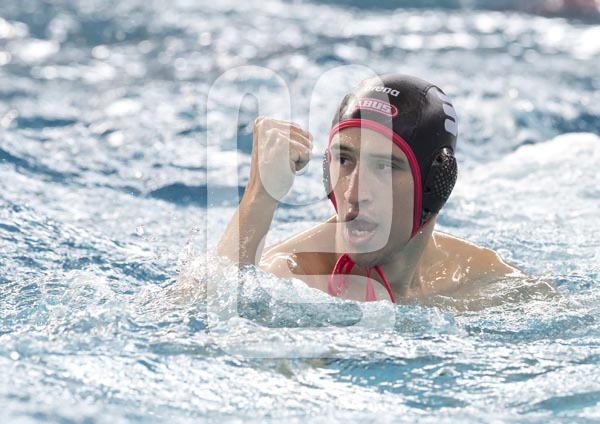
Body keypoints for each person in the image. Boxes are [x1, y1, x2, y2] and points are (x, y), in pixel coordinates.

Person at [216, 74, 523, 303]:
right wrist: (259, 196)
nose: (354, 193)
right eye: (344, 160)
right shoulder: (294, 276)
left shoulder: (479, 280)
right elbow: (209, 306)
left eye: (385, 166)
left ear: (436, 184)